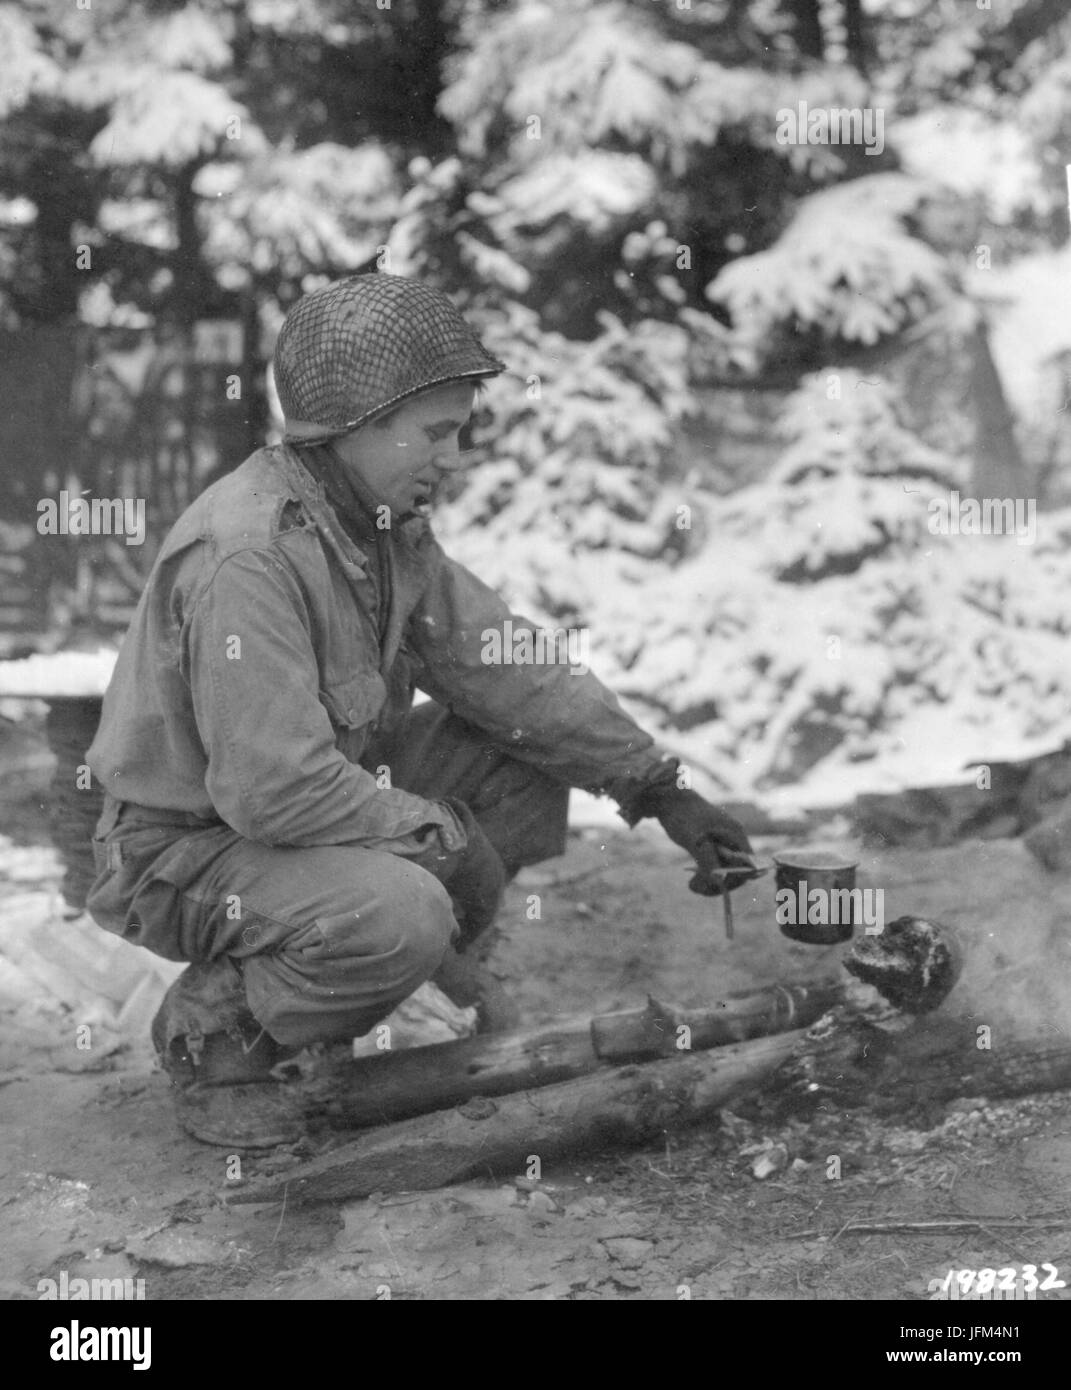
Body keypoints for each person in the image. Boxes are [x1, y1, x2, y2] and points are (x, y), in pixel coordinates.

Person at [85, 274, 756, 1148]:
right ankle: (220, 1036)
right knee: (396, 911)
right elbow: (272, 790)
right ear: (357, 428)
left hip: (288, 820)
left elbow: (505, 669)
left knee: (517, 762)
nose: (453, 456)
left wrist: (657, 787)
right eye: (436, 432)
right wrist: (436, 835)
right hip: (187, 851)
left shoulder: (375, 524)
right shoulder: (249, 557)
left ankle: (408, 980)